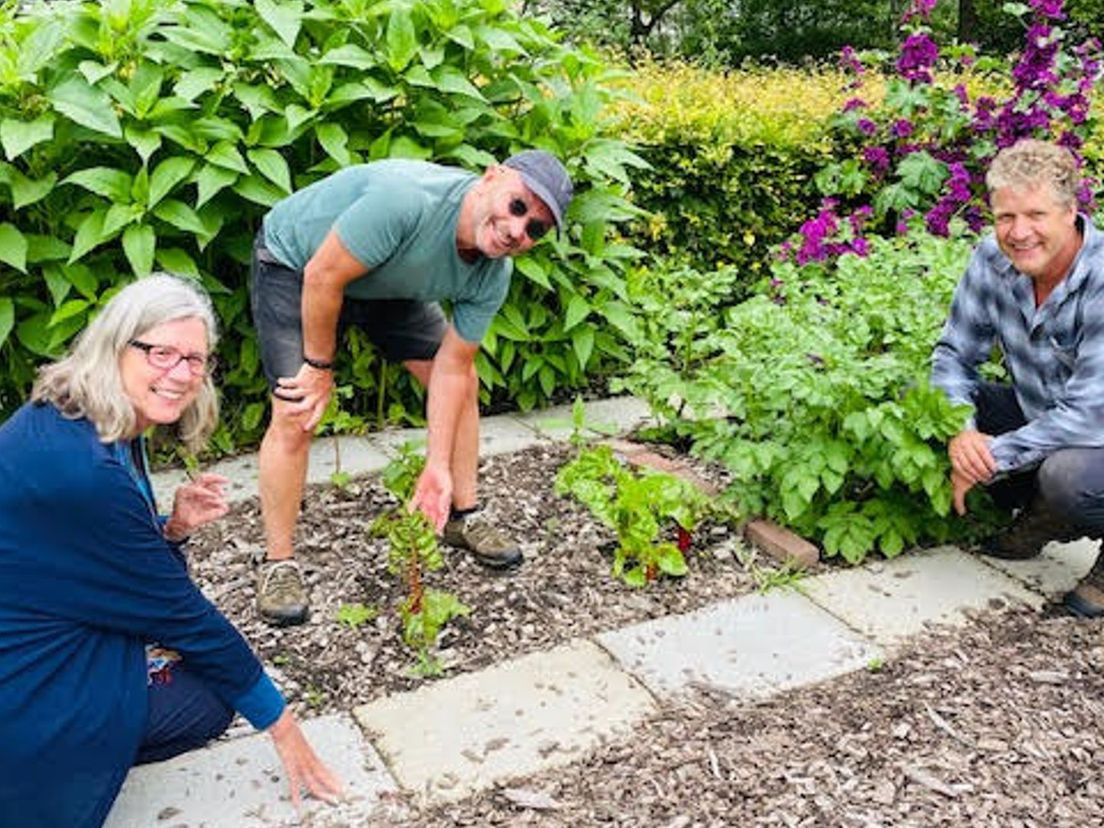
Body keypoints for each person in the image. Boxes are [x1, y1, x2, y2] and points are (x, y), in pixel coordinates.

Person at [0, 274, 342, 828]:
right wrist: (282, 725)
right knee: (208, 699)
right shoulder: (86, 471)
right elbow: (179, 613)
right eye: (161, 352)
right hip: (25, 689)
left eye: (194, 360)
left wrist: (171, 528)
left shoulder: (76, 416)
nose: (180, 374)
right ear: (117, 344)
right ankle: (67, 762)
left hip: (30, 625)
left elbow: (86, 555)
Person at [249, 149, 574, 625]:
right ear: (492, 177)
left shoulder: (492, 273)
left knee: (464, 383)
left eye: (535, 230)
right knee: (297, 406)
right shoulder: (406, 201)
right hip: (299, 264)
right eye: (518, 206)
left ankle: (464, 513)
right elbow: (324, 275)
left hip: (382, 282)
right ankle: (279, 563)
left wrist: (435, 466)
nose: (516, 230)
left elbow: (452, 368)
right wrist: (319, 366)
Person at [930, 138, 1104, 617]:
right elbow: (953, 356)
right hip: (1046, 415)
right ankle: (1043, 512)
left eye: (1036, 215)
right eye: (1006, 216)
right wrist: (963, 431)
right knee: (924, 407)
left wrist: (987, 457)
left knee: (1068, 477)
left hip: (1093, 431)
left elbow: (1089, 416)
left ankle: (1059, 512)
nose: (1018, 232)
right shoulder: (990, 259)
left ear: (1070, 212)